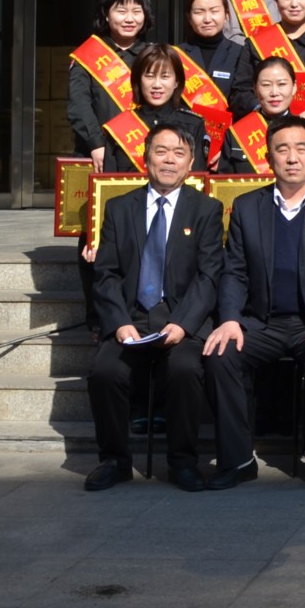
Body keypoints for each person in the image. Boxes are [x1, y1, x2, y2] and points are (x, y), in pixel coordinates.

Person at [203, 117, 305, 491]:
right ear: (268, 157)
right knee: (220, 355)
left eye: (301, 148)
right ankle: (238, 459)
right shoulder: (247, 206)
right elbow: (234, 272)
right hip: (262, 322)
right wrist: (229, 319)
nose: (292, 158)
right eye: (282, 149)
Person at [84, 123, 224, 492]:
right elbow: (106, 274)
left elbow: (209, 276)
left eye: (179, 153)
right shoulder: (119, 208)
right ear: (146, 159)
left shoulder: (206, 209)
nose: (169, 160)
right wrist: (119, 323)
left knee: (184, 369)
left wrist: (183, 323)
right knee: (105, 371)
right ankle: (114, 461)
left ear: (191, 163)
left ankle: (183, 462)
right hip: (131, 320)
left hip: (179, 320)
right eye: (161, 152)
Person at [68, 0, 151, 168]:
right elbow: (78, 105)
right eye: (121, 11)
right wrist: (96, 143)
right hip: (97, 153)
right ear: (106, 14)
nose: (129, 19)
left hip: (144, 155)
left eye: (136, 11)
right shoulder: (87, 56)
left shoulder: (154, 56)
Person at [101, 48, 214, 174]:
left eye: (165, 77)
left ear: (176, 82)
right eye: (149, 76)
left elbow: (197, 178)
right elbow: (108, 181)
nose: (157, 85)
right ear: (138, 80)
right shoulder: (119, 127)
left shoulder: (193, 125)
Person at [173, 0, 256, 152]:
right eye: (199, 12)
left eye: (214, 11)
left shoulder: (241, 53)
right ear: (189, 17)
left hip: (228, 143)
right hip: (183, 142)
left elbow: (243, 97)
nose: (207, 19)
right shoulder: (175, 55)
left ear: (226, 16)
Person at [214, 56, 305, 177]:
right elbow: (224, 182)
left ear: (294, 87)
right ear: (255, 89)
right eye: (266, 85)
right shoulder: (235, 134)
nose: (274, 93)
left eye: (282, 84)